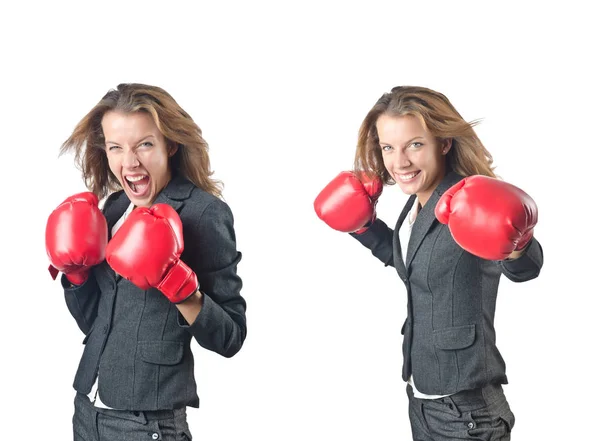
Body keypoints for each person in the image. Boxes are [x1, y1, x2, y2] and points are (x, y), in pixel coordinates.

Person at [314, 86, 542, 441]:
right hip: (422, 400)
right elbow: (410, 261)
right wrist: (364, 226)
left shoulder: (472, 200)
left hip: (468, 410)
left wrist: (519, 244)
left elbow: (525, 268)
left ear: (444, 143)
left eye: (415, 145)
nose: (400, 162)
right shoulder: (415, 205)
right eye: (389, 147)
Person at [45, 83, 247, 441]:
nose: (130, 162)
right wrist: (76, 277)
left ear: (170, 144)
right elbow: (96, 323)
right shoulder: (115, 207)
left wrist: (179, 285)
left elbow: (230, 337)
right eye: (116, 148)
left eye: (144, 144)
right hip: (87, 412)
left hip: (146, 423)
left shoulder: (205, 214)